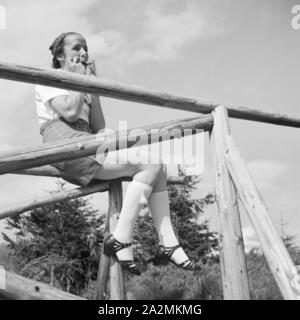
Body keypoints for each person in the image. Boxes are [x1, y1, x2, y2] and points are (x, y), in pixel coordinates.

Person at [35, 32, 200, 275]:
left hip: (86, 141)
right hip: (64, 143)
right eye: (77, 47)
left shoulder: (84, 86)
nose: (84, 53)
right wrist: (80, 80)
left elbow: (98, 126)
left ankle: (168, 242)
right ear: (60, 55)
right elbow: (69, 113)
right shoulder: (50, 79)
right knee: (150, 164)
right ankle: (122, 238)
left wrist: (93, 86)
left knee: (160, 168)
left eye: (86, 48)